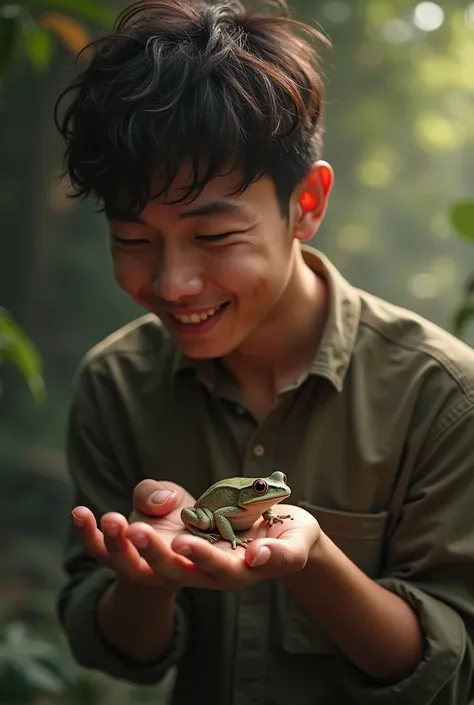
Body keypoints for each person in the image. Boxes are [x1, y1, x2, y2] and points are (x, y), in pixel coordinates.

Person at [54, 1, 474, 703]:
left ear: (306, 204)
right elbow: (120, 654)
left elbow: (454, 667)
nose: (172, 283)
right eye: (132, 240)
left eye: (214, 237)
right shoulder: (115, 383)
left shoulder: (445, 395)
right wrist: (142, 575)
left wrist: (311, 561)